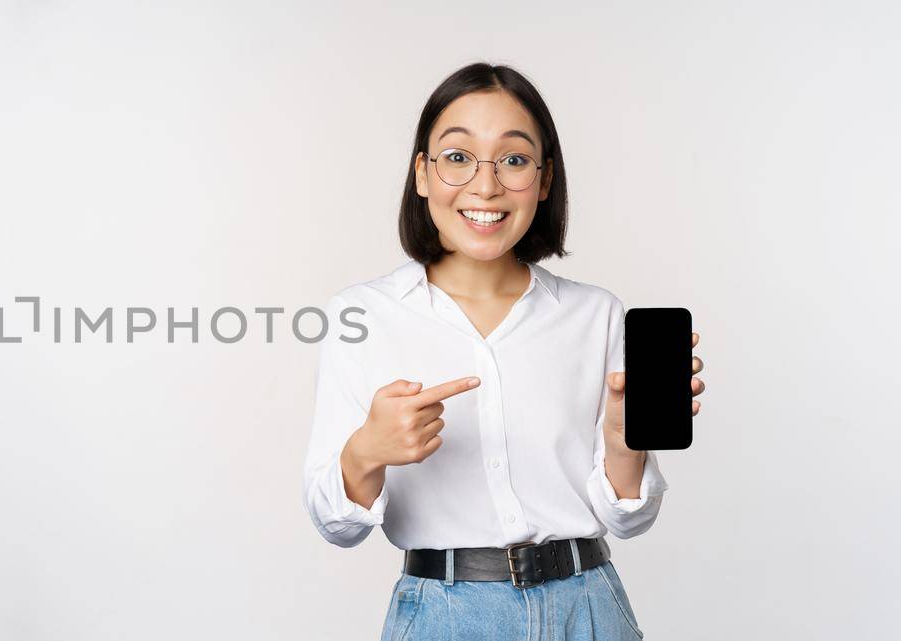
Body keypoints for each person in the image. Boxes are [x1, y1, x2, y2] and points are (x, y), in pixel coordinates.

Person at [301, 63, 707, 641]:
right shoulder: (361, 316)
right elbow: (336, 526)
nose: (486, 186)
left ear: (544, 182)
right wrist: (367, 451)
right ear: (422, 173)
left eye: (514, 160)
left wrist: (623, 442)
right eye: (458, 157)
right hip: (443, 616)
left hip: (588, 608)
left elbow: (630, 517)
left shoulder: (597, 315)